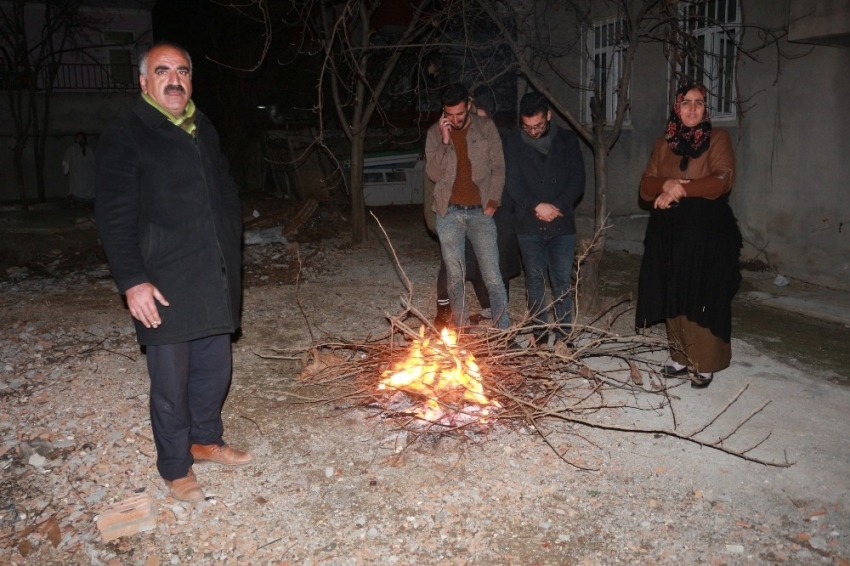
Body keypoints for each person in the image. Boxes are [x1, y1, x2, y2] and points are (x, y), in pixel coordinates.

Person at [95, 41, 252, 502]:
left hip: (211, 274)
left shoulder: (201, 127)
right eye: (162, 71)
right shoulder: (126, 135)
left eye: (182, 71)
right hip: (162, 282)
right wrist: (132, 281)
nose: (174, 79)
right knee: (170, 383)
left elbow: (224, 190)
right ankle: (175, 464)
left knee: (214, 370)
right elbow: (114, 216)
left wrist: (231, 247)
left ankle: (204, 439)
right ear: (144, 82)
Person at [635, 81, 742, 388]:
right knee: (674, 288)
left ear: (704, 107)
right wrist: (666, 184)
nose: (692, 109)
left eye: (698, 102)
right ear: (676, 108)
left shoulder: (718, 138)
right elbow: (646, 186)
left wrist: (680, 189)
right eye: (686, 103)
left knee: (702, 292)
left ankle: (705, 363)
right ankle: (680, 356)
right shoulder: (663, 143)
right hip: (669, 231)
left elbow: (722, 180)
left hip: (707, 231)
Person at [423, 92, 520, 330]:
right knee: (455, 278)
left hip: (480, 212)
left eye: (459, 114)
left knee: (493, 276)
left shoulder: (486, 127)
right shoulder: (434, 133)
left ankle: (503, 330)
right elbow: (433, 174)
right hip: (449, 214)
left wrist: (492, 202)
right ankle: (462, 332)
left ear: (468, 106)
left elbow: (499, 167)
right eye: (449, 115)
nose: (455, 120)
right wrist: (445, 143)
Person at [504, 92, 585, 348]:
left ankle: (564, 337)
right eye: (527, 127)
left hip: (561, 224)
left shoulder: (568, 140)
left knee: (562, 281)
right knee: (535, 280)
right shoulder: (514, 142)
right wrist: (536, 205)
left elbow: (578, 180)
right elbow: (512, 183)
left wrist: (556, 206)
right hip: (528, 223)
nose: (533, 131)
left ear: (548, 116)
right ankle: (539, 334)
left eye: (538, 125)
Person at [63, 131, 96, 210]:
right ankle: (77, 203)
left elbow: (94, 161)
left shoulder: (87, 150)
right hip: (79, 175)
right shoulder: (72, 149)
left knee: (80, 189)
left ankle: (84, 204)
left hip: (85, 175)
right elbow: (66, 160)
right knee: (78, 189)